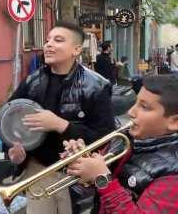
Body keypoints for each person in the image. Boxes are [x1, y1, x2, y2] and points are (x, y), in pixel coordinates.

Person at [7, 22, 115, 214]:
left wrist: (61, 125)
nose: (48, 44)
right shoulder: (33, 80)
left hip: (76, 176)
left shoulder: (97, 86)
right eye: (48, 40)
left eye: (58, 40)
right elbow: (12, 118)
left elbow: (105, 137)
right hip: (38, 169)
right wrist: (17, 150)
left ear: (76, 50)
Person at [64, 74, 178, 213]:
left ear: (174, 122)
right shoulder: (124, 140)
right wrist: (81, 162)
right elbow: (91, 187)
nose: (130, 112)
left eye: (145, 107)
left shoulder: (172, 174)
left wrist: (102, 178)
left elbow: (105, 183)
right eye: (136, 102)